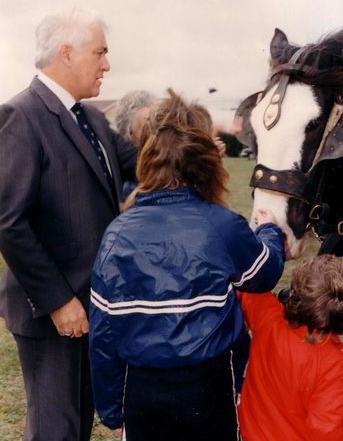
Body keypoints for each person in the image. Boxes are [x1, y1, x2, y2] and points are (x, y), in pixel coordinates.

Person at [89, 91, 285, 441]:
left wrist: (110, 407)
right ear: (208, 165)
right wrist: (269, 230)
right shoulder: (222, 224)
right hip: (209, 384)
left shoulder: (116, 232)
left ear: (146, 162)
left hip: (141, 387)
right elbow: (264, 273)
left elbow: (104, 332)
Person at [0, 8, 137, 441]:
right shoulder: (21, 116)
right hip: (52, 311)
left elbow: (142, 164)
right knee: (55, 429)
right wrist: (59, 301)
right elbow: (9, 221)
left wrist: (189, 146)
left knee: (76, 423)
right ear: (66, 53)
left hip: (92, 303)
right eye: (100, 52)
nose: (106, 64)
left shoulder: (92, 118)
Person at [238, 254, 343, 441]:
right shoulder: (334, 366)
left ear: (293, 293)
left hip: (249, 433)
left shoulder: (268, 317)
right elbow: (328, 432)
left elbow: (245, 281)